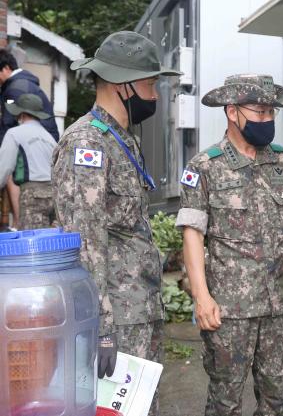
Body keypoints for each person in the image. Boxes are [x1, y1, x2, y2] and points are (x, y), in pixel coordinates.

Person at [175, 73, 283, 416]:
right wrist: (201, 296)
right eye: (259, 112)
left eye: (271, 113)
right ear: (232, 112)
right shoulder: (205, 166)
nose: (267, 120)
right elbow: (192, 232)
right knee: (226, 400)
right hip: (229, 309)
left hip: (279, 305)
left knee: (278, 396)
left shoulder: (281, 161)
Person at [51, 31, 181, 416]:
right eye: (149, 84)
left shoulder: (119, 138)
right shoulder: (86, 144)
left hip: (139, 310)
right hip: (117, 319)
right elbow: (84, 242)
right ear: (123, 86)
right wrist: (101, 327)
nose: (155, 95)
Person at [0, 49, 58, 228]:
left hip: (32, 193)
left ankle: (16, 223)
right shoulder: (49, 138)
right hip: (53, 193)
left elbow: (4, 169)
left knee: (32, 240)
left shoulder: (15, 88)